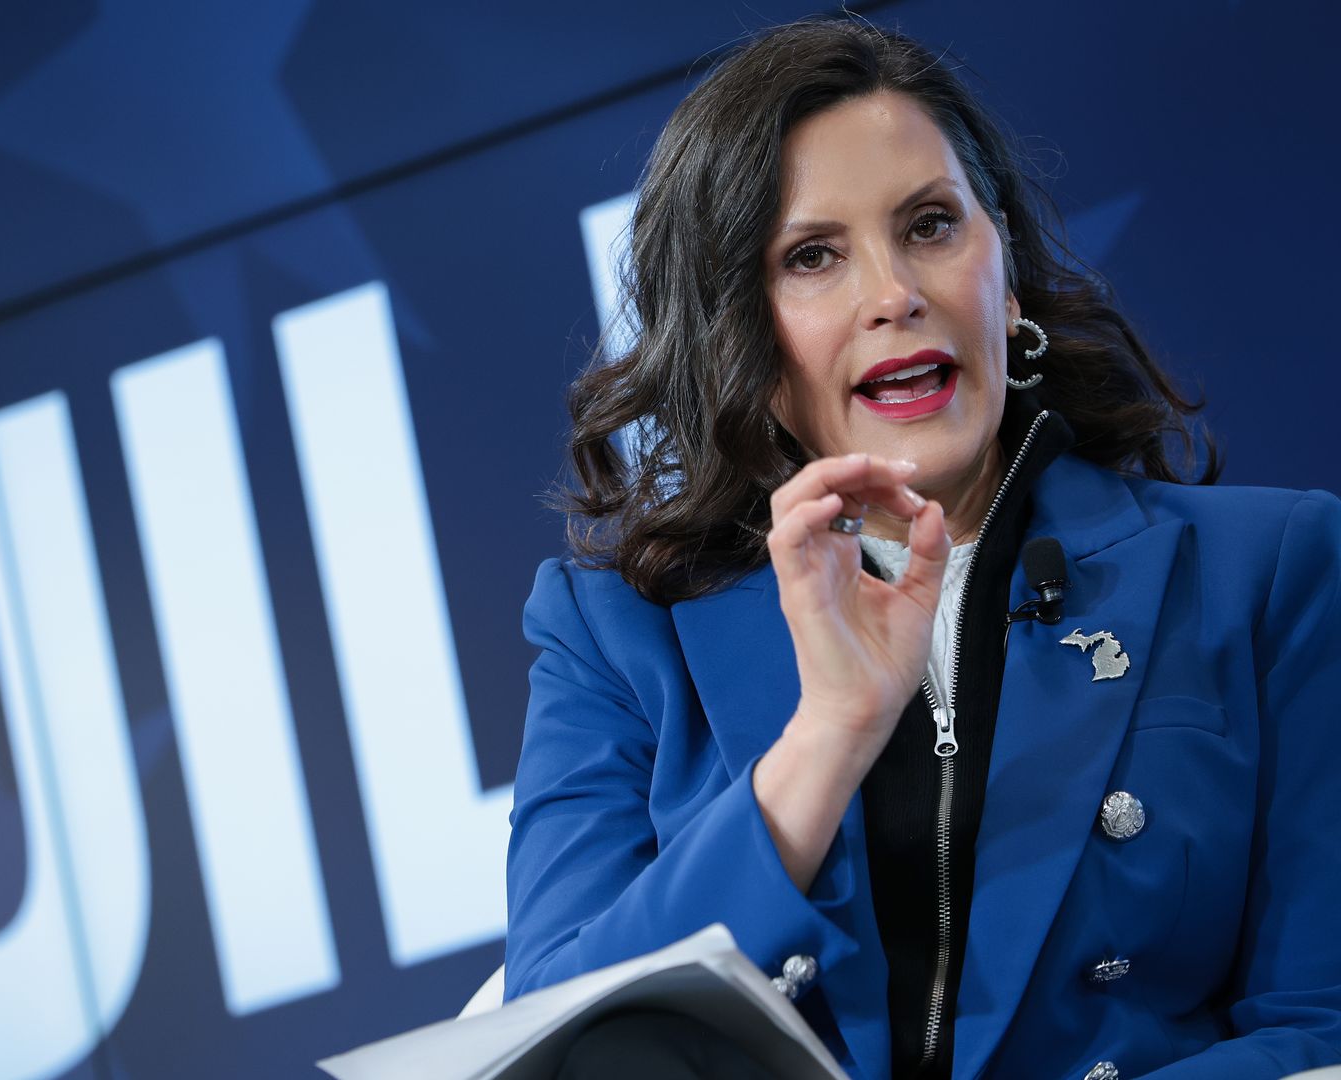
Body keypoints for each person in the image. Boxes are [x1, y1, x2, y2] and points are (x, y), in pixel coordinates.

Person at [503, 17, 1341, 1080]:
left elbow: (1322, 1022)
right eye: (813, 256)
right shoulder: (615, 634)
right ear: (738, 337)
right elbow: (558, 1040)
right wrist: (829, 735)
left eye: (932, 225)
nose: (894, 293)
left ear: (1008, 277)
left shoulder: (1266, 570)